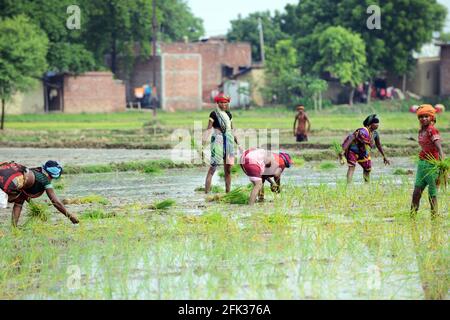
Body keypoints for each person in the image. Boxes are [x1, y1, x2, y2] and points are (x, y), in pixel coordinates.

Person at [0, 160, 79, 227]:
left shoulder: (33, 172)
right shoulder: (45, 180)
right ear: (52, 175)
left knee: (19, 201)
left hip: (5, 175)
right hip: (5, 182)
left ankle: (14, 228)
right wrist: (71, 217)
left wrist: (36, 208)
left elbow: (21, 200)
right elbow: (56, 202)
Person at [202, 93, 241, 193]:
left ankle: (228, 193)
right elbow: (208, 129)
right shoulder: (213, 114)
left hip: (229, 142)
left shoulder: (229, 114)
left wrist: (239, 144)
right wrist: (203, 144)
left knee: (228, 170)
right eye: (221, 102)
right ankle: (206, 193)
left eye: (225, 102)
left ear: (228, 103)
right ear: (217, 103)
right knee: (213, 168)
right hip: (217, 141)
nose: (223, 104)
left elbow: (232, 130)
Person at [410, 105, 445, 217]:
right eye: (421, 117)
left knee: (432, 194)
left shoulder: (432, 130)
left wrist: (442, 168)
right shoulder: (421, 131)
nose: (423, 119)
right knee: (416, 193)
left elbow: (440, 149)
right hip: (422, 165)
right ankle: (412, 216)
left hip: (432, 165)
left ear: (431, 117)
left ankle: (434, 218)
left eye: (426, 116)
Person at [341, 114, 390, 183]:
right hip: (353, 151)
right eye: (376, 123)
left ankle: (367, 185)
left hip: (363, 152)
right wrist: (343, 150)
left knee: (367, 169)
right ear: (370, 124)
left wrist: (384, 156)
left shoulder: (375, 134)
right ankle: (348, 185)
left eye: (378, 123)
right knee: (351, 167)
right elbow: (351, 137)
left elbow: (378, 145)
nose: (378, 125)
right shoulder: (362, 131)